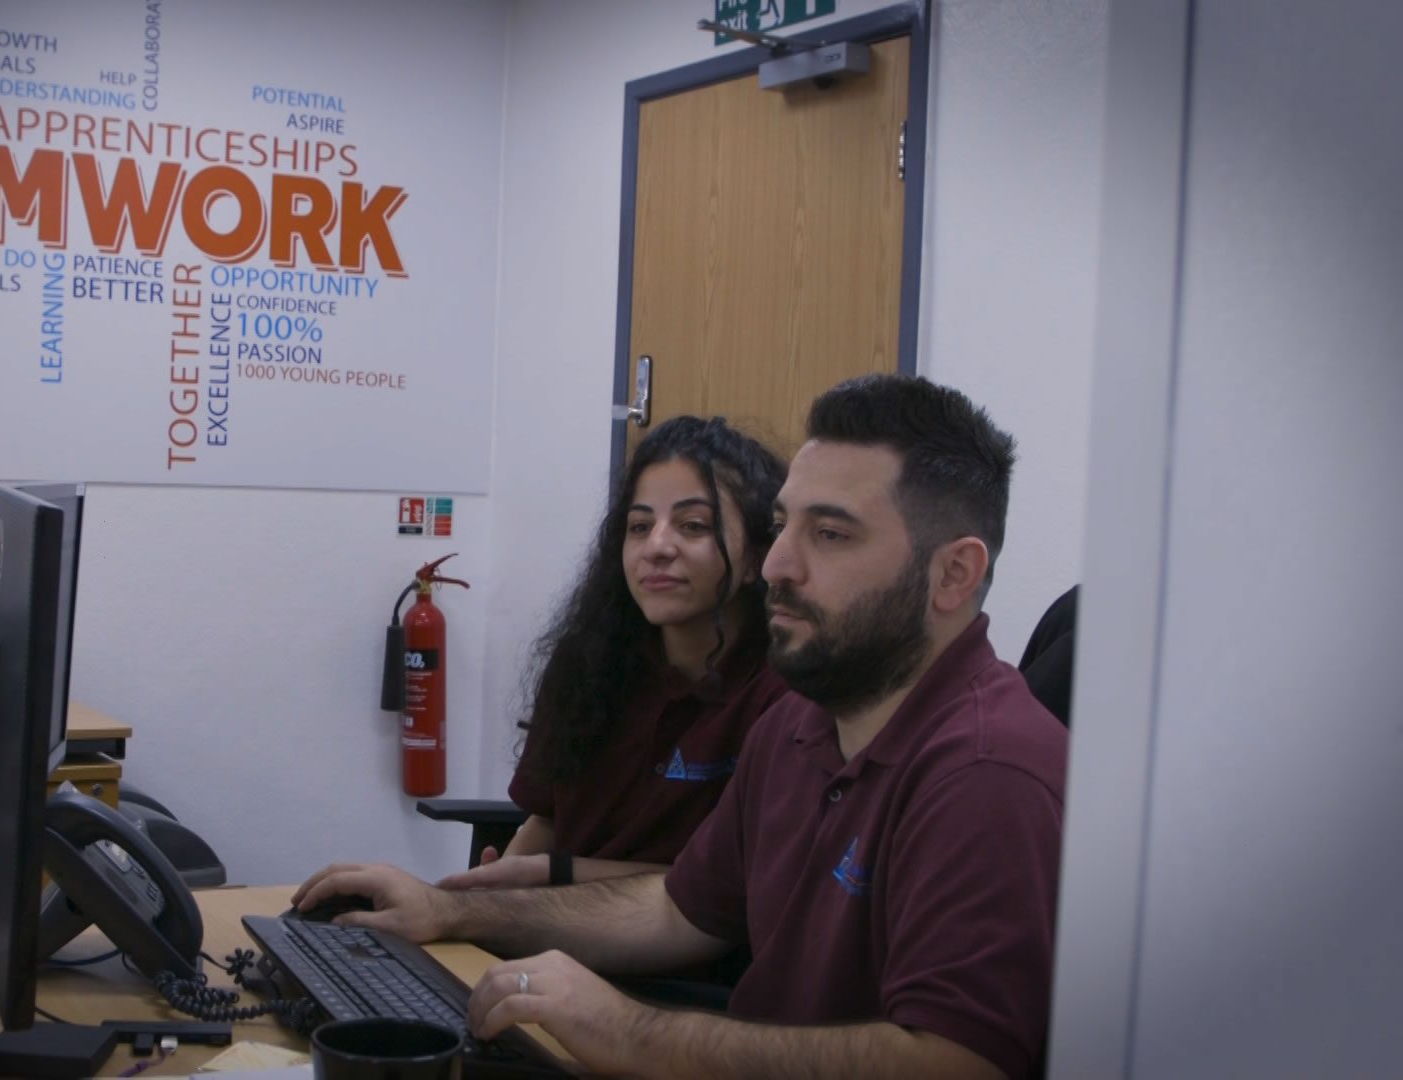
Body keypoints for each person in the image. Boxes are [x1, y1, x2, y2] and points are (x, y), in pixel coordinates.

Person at [297, 375, 1068, 1079]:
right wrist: (452, 910)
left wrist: (629, 1030)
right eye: (782, 527)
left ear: (954, 574)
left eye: (830, 535)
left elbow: (957, 1064)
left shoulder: (987, 773)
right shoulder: (800, 726)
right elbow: (676, 910)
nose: (777, 567)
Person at [439, 415, 791, 891]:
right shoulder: (591, 662)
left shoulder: (785, 692)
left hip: (688, 957)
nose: (657, 547)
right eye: (640, 526)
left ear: (756, 558)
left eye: (692, 525)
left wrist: (555, 873)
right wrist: (481, 895)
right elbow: (546, 819)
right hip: (548, 931)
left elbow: (733, 889)